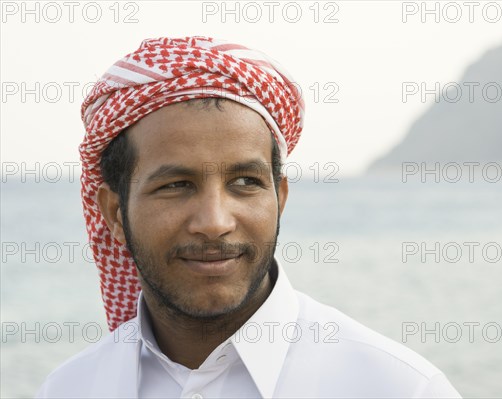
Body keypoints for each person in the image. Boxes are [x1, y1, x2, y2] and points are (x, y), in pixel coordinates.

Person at [36, 36, 461, 398]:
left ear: (280, 196)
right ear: (113, 211)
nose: (215, 221)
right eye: (176, 185)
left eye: (244, 182)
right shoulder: (71, 388)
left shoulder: (397, 388)